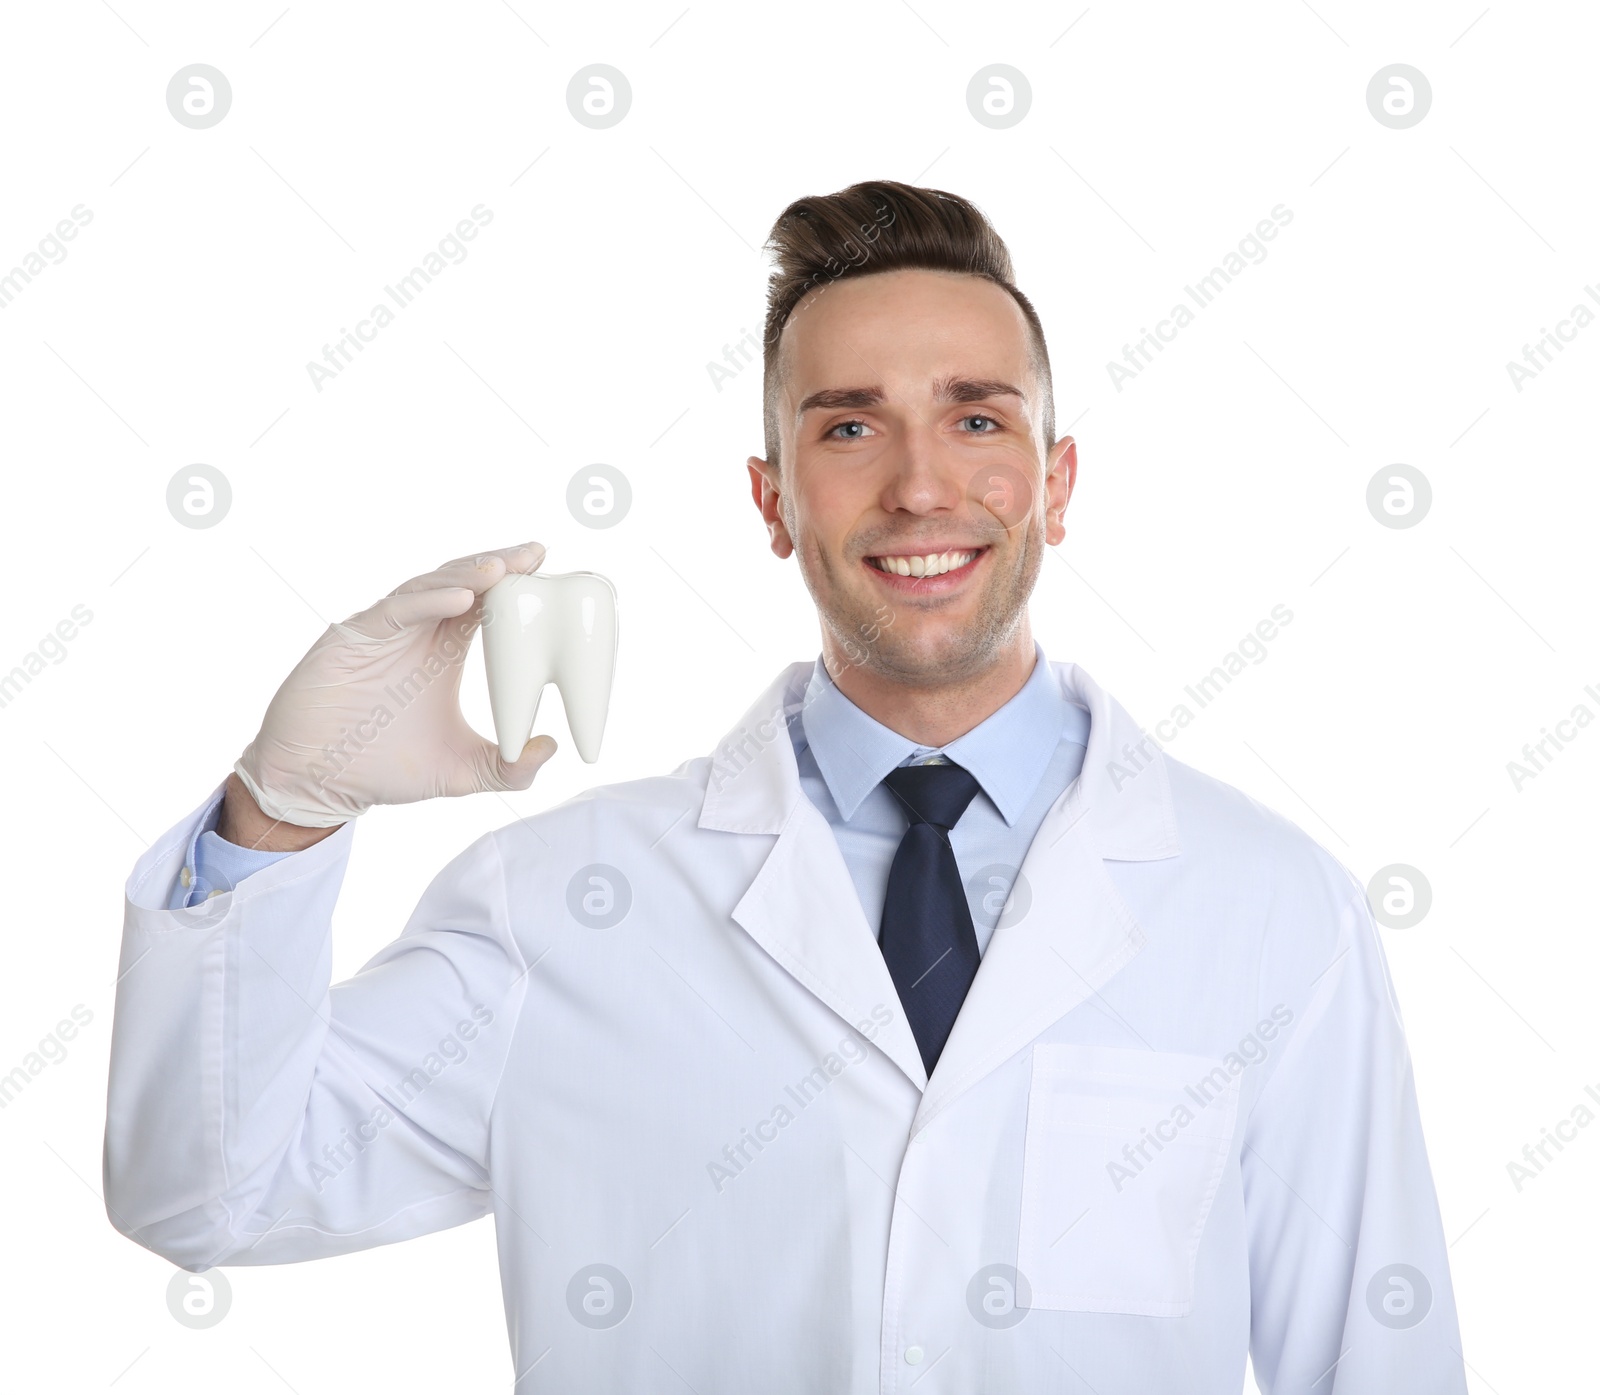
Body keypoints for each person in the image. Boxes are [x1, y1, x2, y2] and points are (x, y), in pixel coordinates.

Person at [104, 180, 1467, 1393]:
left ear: (1054, 483)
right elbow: (207, 1196)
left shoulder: (1272, 910)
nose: (923, 485)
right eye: (850, 430)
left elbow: (1378, 1360)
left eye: (977, 418)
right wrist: (284, 808)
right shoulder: (562, 905)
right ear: (771, 502)